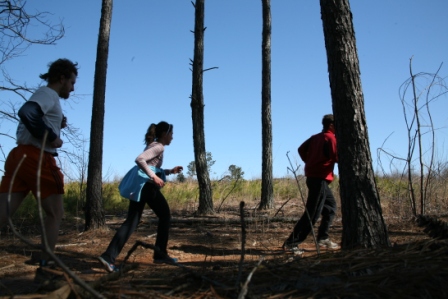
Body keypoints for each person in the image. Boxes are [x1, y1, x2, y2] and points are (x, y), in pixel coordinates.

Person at [0, 59, 78, 269]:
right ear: (61, 78)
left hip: (19, 156)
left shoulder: (48, 97)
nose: (73, 87)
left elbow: (35, 116)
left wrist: (56, 123)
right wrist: (52, 135)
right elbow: (27, 113)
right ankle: (46, 260)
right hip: (37, 158)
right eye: (71, 82)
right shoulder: (48, 94)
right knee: (55, 213)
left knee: (3, 212)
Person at [98, 121, 183, 272]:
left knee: (132, 221)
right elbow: (140, 160)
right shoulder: (159, 146)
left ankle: (108, 256)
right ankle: (160, 255)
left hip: (143, 186)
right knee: (164, 215)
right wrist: (154, 177)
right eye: (171, 134)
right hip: (147, 187)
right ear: (164, 134)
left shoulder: (154, 145)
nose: (172, 137)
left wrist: (170, 171)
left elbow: (152, 166)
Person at [283, 114, 339, 251]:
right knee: (313, 214)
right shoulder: (331, 138)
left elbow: (301, 149)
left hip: (315, 179)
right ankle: (291, 243)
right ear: (331, 125)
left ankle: (323, 238)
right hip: (319, 179)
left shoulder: (315, 138)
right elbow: (336, 157)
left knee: (330, 207)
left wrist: (309, 161)